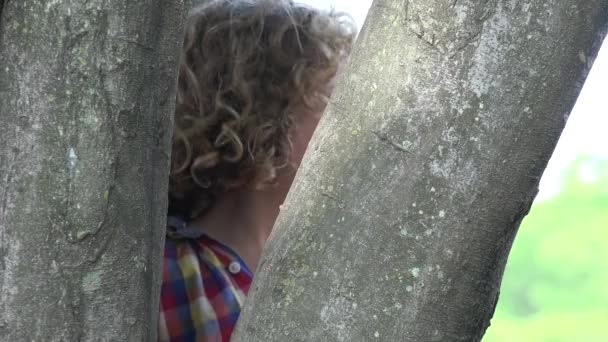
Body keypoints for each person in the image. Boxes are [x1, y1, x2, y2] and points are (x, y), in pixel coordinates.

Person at [158, 1, 355, 341]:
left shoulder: (334, 267)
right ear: (264, 117)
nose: (348, 121)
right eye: (328, 101)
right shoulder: (167, 274)